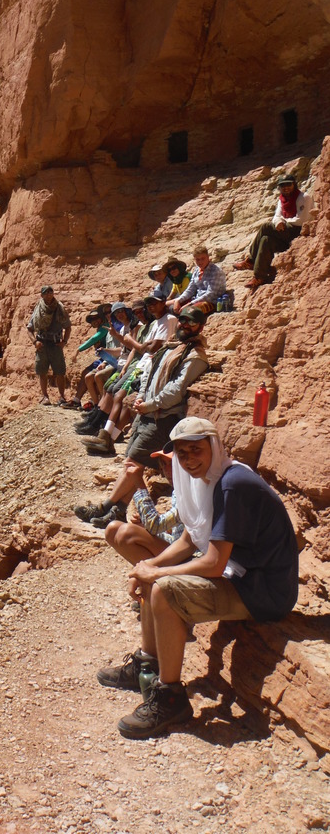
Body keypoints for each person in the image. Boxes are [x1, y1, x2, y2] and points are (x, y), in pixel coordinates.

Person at [97, 417, 299, 740]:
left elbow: (215, 563)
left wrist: (156, 571)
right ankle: (146, 665)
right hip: (243, 575)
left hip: (263, 590)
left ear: (214, 447)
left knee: (163, 589)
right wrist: (144, 569)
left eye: (196, 450)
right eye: (182, 453)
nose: (189, 459)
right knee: (153, 579)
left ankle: (171, 697)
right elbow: (189, 540)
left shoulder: (231, 483)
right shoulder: (207, 479)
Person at [74, 306, 208, 527]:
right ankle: (117, 510)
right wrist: (142, 397)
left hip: (162, 417)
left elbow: (177, 389)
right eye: (183, 320)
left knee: (132, 464)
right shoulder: (172, 348)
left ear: (200, 327)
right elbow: (150, 373)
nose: (185, 325)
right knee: (133, 465)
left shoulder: (195, 356)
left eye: (191, 323)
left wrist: (150, 404)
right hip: (148, 412)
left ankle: (106, 507)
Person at [82, 294, 178, 456]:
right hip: (142, 366)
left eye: (151, 305)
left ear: (163, 303)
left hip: (150, 366)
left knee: (122, 397)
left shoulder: (167, 320)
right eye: (148, 305)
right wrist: (138, 345)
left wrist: (135, 343)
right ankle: (106, 434)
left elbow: (149, 347)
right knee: (120, 395)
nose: (148, 309)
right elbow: (143, 347)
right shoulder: (155, 323)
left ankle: (107, 436)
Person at [105, 443, 184, 563]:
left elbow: (155, 525)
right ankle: (151, 576)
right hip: (179, 549)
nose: (167, 470)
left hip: (192, 557)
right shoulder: (178, 491)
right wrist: (144, 527)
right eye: (164, 464)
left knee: (127, 533)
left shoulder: (191, 494)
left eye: (172, 464)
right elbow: (173, 536)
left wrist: (138, 482)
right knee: (112, 529)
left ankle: (152, 577)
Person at [233, 174, 314, 289]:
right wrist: (278, 222)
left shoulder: (304, 197)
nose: (285, 188)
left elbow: (302, 220)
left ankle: (251, 260)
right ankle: (259, 276)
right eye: (282, 186)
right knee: (266, 240)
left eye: (288, 184)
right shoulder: (282, 200)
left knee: (266, 226)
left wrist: (282, 222)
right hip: (287, 234)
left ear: (294, 185)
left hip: (300, 232)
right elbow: (276, 216)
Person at [26, 286, 72, 405]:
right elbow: (29, 329)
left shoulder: (59, 308)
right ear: (42, 295)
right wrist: (35, 342)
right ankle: (45, 396)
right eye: (46, 293)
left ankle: (62, 397)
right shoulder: (38, 309)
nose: (49, 294)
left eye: (50, 292)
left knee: (60, 371)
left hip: (56, 344)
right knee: (42, 371)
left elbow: (67, 326)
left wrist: (64, 342)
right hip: (42, 344)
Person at [68, 308, 110, 408]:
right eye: (92, 319)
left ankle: (96, 404)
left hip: (108, 359)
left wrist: (78, 350)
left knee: (90, 375)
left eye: (96, 318)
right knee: (86, 373)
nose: (94, 321)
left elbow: (93, 339)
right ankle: (80, 400)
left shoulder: (105, 327)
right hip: (104, 358)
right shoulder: (101, 328)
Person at [167, 246, 226, 317]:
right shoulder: (197, 270)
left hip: (212, 302)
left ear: (208, 257)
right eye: (198, 259)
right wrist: (178, 300)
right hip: (196, 299)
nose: (200, 262)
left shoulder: (215, 271)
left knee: (188, 311)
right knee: (169, 307)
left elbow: (211, 294)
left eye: (203, 259)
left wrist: (190, 304)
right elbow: (190, 289)